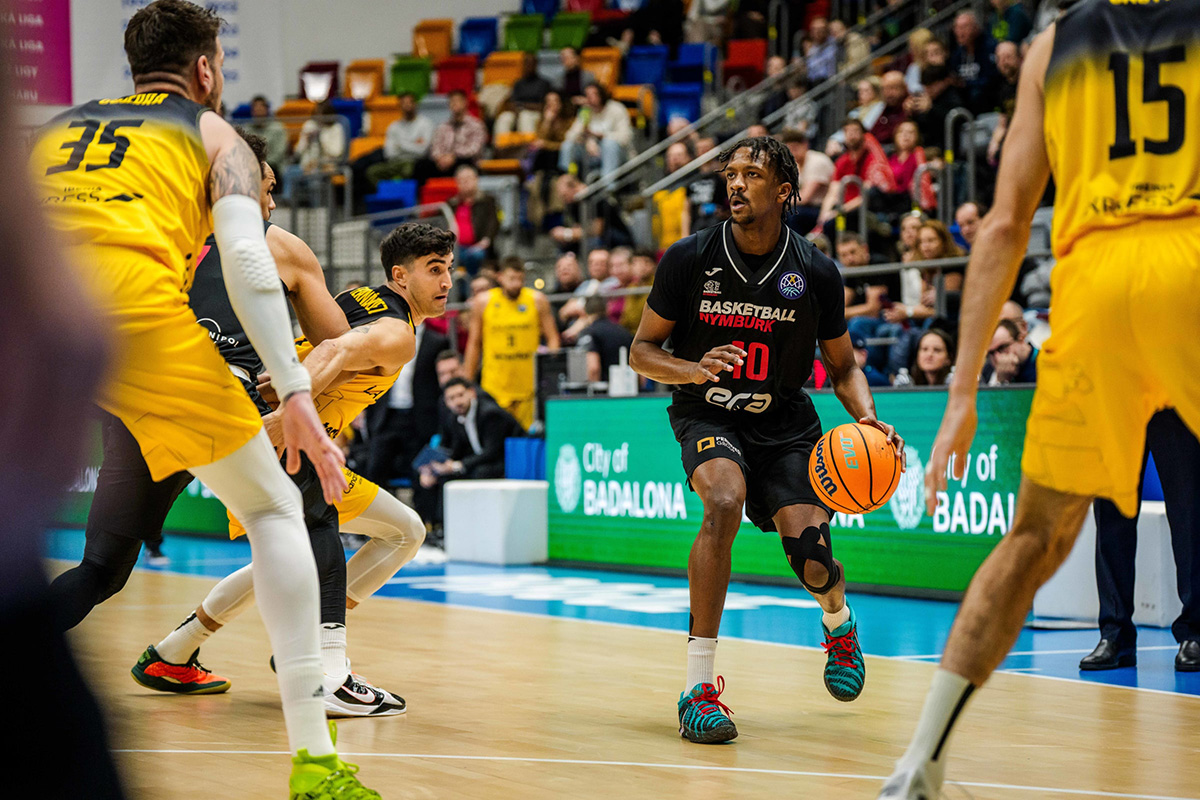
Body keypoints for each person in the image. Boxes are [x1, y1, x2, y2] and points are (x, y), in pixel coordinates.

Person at [28, 2, 372, 796]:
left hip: (38, 319)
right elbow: (250, 263)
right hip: (137, 323)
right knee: (276, 512)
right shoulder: (217, 136)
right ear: (207, 69)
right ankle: (316, 761)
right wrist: (296, 390)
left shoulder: (53, 130)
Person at [876, 4, 1200, 795]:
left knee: (1032, 541)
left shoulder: (1054, 45)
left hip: (1093, 289)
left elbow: (1003, 225)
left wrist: (961, 391)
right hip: (1189, 266)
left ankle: (921, 762)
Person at [628, 135, 904, 744]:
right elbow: (641, 351)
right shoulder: (689, 258)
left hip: (785, 425)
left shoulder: (815, 271)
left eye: (751, 174)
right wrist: (692, 369)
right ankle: (698, 689)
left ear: (783, 191)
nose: (735, 182)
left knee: (813, 561)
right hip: (708, 413)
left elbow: (844, 367)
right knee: (723, 501)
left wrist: (868, 419)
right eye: (730, 173)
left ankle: (838, 622)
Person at [1081, 410, 1200, 672]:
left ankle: (1196, 632)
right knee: (1111, 511)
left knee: (1188, 510)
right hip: (1116, 399)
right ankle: (1114, 633)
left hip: (1169, 392)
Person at [465, 257, 561, 429]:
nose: (516, 284)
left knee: (527, 437)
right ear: (500, 277)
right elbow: (474, 343)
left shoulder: (537, 300)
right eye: (511, 279)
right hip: (494, 386)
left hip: (528, 387)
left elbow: (553, 337)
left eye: (520, 279)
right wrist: (467, 381)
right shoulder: (483, 302)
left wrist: (549, 367)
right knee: (496, 437)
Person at [419, 378, 525, 517]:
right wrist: (432, 469)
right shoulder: (453, 419)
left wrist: (457, 465)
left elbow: (492, 452)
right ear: (446, 402)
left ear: (472, 393)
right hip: (480, 461)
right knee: (442, 478)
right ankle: (444, 524)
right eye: (451, 398)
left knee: (480, 472)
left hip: (508, 461)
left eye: (460, 395)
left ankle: (479, 518)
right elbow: (452, 448)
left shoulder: (490, 414)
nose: (457, 402)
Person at [365, 317, 448, 492]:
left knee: (420, 473)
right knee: (375, 469)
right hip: (388, 415)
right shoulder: (386, 339)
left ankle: (422, 510)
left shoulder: (437, 341)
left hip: (419, 417)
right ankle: (377, 508)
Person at [559, 84, 633, 178]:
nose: (590, 98)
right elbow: (569, 136)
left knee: (609, 144)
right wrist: (585, 137)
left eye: (593, 94)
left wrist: (601, 136)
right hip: (590, 153)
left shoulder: (616, 109)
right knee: (567, 145)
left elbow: (626, 137)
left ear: (601, 95)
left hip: (618, 152)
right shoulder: (586, 111)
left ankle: (607, 184)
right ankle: (565, 179)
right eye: (587, 95)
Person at [364, 92, 434, 187]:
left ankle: (406, 195)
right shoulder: (393, 127)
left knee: (409, 170)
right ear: (399, 107)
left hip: (414, 163)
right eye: (404, 103)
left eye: (410, 102)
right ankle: (388, 194)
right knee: (372, 172)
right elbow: (389, 153)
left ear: (415, 104)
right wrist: (413, 145)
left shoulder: (426, 124)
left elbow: (423, 151)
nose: (407, 105)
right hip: (394, 162)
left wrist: (400, 145)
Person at [419, 89, 488, 181]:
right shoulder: (442, 126)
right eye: (452, 101)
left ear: (465, 103)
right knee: (421, 165)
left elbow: (474, 149)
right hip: (443, 163)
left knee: (465, 162)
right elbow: (435, 147)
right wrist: (440, 158)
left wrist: (453, 157)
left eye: (457, 100)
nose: (454, 103)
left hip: (464, 162)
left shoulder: (476, 125)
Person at [779, 128, 834, 233]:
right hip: (806, 207)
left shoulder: (817, 161)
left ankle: (795, 243)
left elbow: (805, 197)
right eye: (789, 150)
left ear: (805, 145)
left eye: (795, 148)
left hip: (823, 209)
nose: (792, 153)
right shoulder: (795, 165)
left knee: (793, 214)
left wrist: (780, 202)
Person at [449, 163, 500, 274]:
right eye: (461, 180)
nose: (465, 182)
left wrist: (485, 241)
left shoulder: (487, 201)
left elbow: (493, 223)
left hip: (478, 247)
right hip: (455, 247)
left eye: (468, 179)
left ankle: (471, 283)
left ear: (476, 180)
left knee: (475, 256)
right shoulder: (451, 204)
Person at [949, 11, 1001, 115]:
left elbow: (993, 79)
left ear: (975, 28)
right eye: (957, 27)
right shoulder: (957, 54)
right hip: (965, 95)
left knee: (976, 94)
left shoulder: (989, 47)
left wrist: (966, 84)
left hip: (987, 96)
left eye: (964, 27)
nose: (960, 32)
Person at [576, 294, 635, 382]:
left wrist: (593, 388)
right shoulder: (624, 332)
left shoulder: (588, 332)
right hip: (628, 386)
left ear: (584, 312)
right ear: (607, 309)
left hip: (604, 387)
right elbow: (639, 368)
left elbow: (593, 368)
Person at [652, 141, 694, 251]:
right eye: (671, 156)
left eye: (679, 155)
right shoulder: (660, 188)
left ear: (689, 158)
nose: (675, 159)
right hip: (664, 246)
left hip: (687, 243)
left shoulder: (695, 184)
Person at [982, 318, 1037, 384]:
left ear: (1021, 339)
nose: (997, 358)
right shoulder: (988, 370)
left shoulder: (1042, 362)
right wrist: (1001, 380)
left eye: (1002, 348)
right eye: (991, 353)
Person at [248, 93, 288, 168]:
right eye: (256, 108)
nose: (258, 111)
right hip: (251, 167)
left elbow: (279, 153)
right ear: (252, 111)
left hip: (274, 167)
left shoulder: (278, 128)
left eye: (261, 108)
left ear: (267, 110)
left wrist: (263, 165)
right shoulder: (247, 130)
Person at [872, 71, 910, 146]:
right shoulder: (883, 108)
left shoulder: (910, 107)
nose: (888, 93)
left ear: (904, 88)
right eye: (885, 89)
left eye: (893, 88)